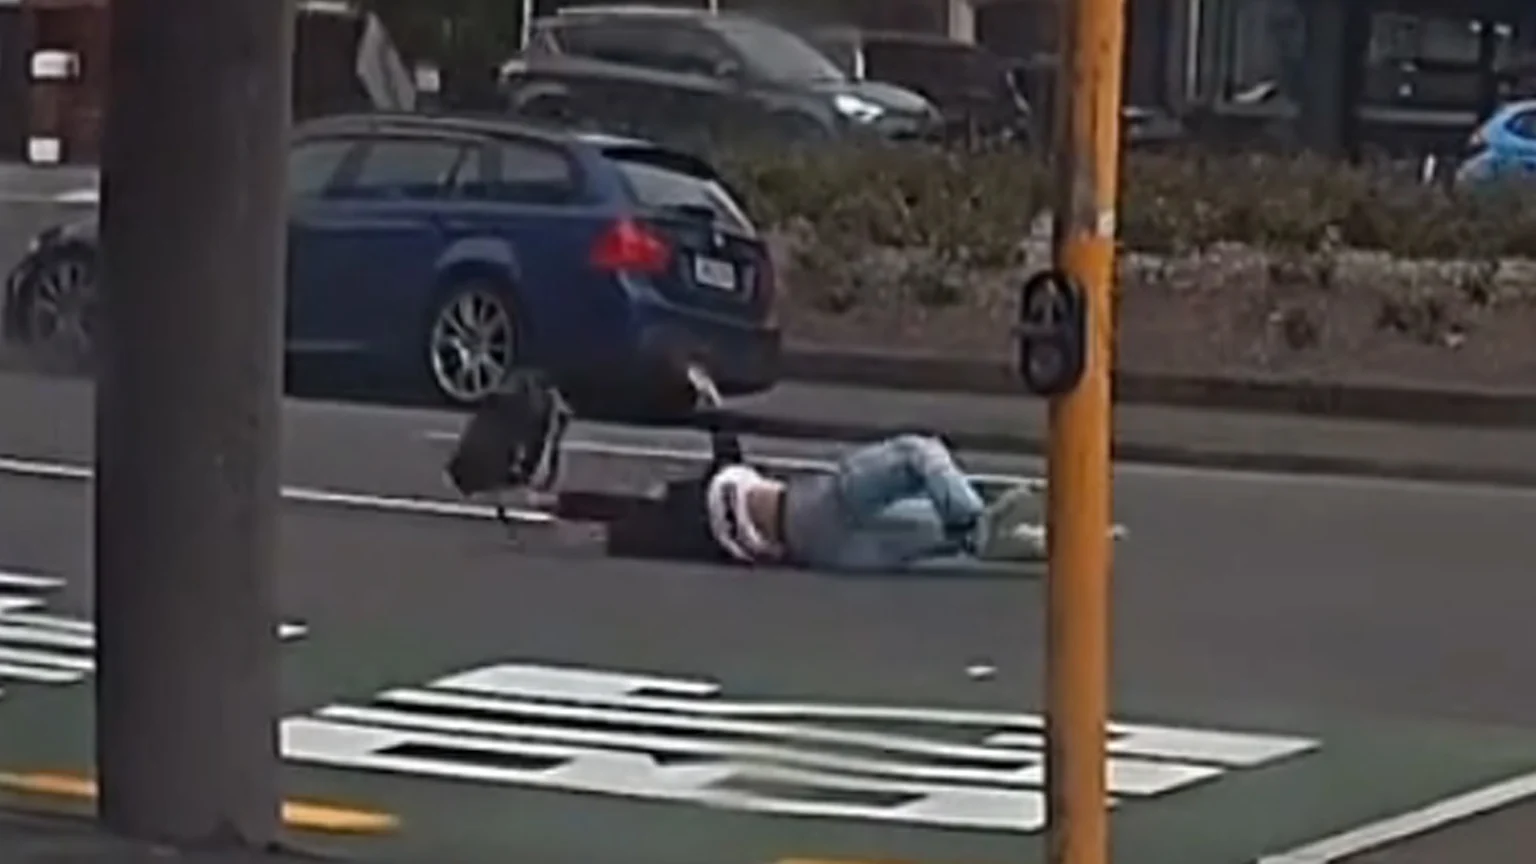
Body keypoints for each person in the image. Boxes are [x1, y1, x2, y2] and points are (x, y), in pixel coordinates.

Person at [700, 433, 1048, 572]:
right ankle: (981, 521)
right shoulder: (815, 501)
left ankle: (1033, 540)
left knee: (947, 534)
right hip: (813, 509)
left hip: (821, 553)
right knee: (916, 454)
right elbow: (914, 454)